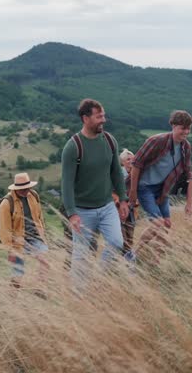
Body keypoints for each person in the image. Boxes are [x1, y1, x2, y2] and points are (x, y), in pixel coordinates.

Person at [61, 98, 129, 288]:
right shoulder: (73, 147)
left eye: (103, 115)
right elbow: (66, 183)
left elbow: (116, 172)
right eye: (99, 117)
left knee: (116, 243)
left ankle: (99, 280)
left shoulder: (109, 140)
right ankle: (79, 296)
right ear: (85, 118)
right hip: (82, 212)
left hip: (107, 207)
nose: (103, 120)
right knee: (81, 256)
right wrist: (72, 213)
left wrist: (123, 199)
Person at [129, 110, 192, 259]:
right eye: (183, 128)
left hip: (162, 189)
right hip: (145, 187)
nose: (186, 132)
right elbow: (136, 164)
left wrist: (189, 203)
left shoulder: (186, 147)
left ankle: (157, 262)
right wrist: (133, 191)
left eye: (188, 128)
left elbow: (188, 175)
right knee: (157, 223)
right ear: (173, 126)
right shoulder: (156, 141)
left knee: (166, 225)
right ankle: (132, 255)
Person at [0, 172, 49, 289]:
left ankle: (40, 289)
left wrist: (43, 234)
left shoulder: (34, 195)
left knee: (45, 262)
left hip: (36, 237)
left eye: (27, 188)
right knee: (18, 273)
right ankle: (12, 298)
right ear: (16, 188)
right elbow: (4, 230)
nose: (26, 191)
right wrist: (10, 250)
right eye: (23, 189)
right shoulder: (6, 203)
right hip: (18, 242)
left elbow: (39, 217)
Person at [118, 149, 138, 260]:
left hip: (132, 211)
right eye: (128, 159)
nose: (131, 161)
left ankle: (127, 263)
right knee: (122, 239)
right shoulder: (119, 174)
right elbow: (112, 192)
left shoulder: (136, 174)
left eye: (132, 159)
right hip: (119, 210)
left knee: (130, 238)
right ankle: (123, 262)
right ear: (123, 162)